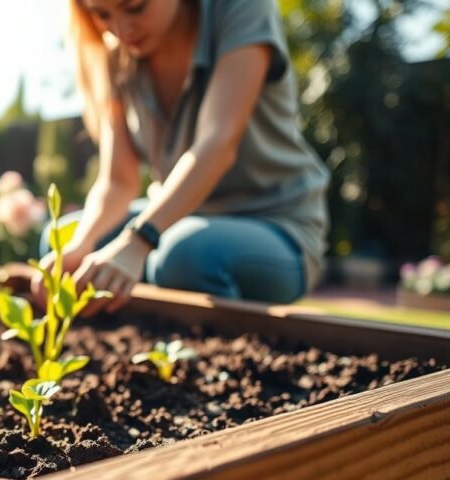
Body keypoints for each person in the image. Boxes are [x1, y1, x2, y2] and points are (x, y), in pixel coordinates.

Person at [33, 0, 330, 314]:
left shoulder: (240, 10)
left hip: (274, 223)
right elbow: (118, 182)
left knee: (185, 258)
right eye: (102, 14)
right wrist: (82, 245)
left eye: (135, 7)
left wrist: (136, 242)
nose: (120, 30)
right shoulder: (116, 55)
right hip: (176, 219)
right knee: (62, 242)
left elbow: (217, 145)